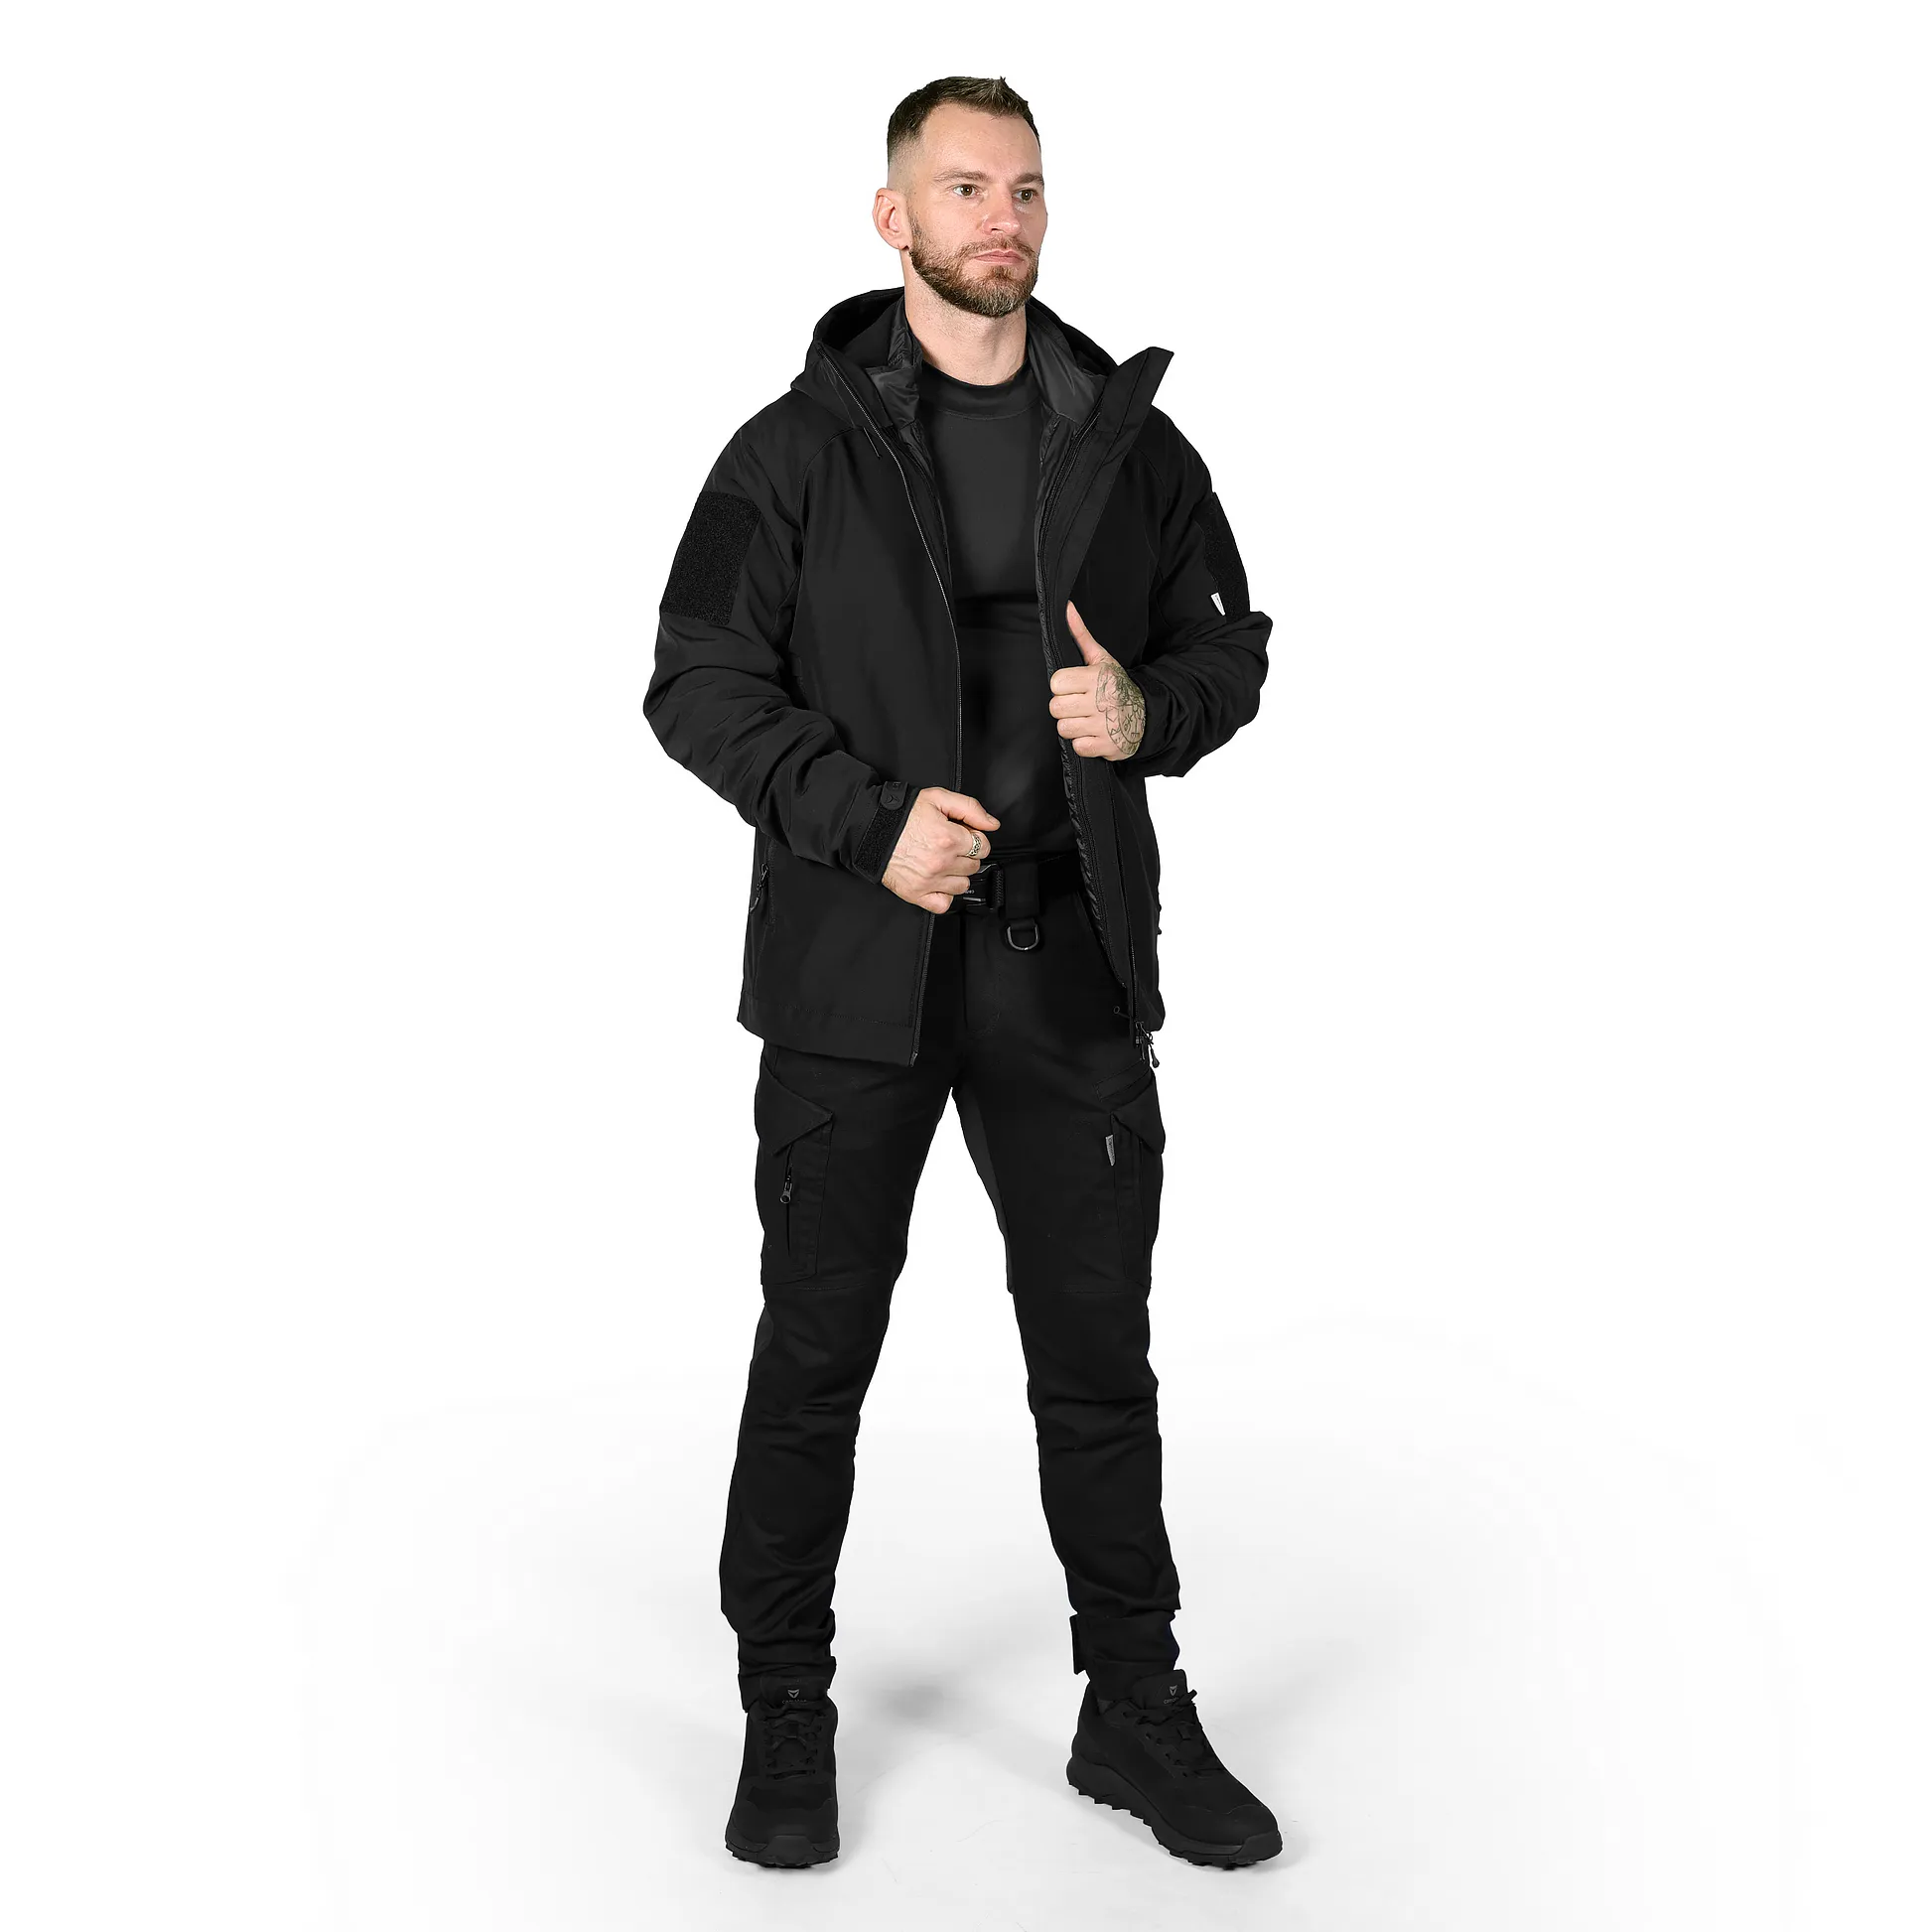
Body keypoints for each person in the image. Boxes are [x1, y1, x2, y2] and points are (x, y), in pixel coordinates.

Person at [643, 74, 1276, 1869]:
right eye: (964, 188)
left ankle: (1131, 1702)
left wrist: (1147, 710)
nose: (1002, 217)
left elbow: (1230, 648)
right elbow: (694, 681)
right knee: (815, 1349)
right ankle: (785, 1700)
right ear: (892, 217)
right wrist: (864, 823)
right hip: (858, 966)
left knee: (1096, 1356)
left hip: (1066, 958)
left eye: (1026, 189)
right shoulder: (791, 451)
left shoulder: (1129, 443)